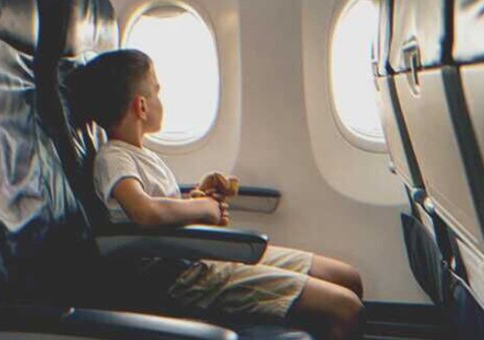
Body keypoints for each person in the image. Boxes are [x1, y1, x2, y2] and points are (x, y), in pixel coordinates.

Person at [65, 49, 364, 339]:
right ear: (141, 107)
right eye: (157, 92)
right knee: (345, 308)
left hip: (196, 258)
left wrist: (197, 195)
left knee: (347, 278)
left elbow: (160, 209)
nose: (161, 100)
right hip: (182, 277)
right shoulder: (113, 158)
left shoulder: (140, 154)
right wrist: (204, 210)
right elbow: (145, 213)